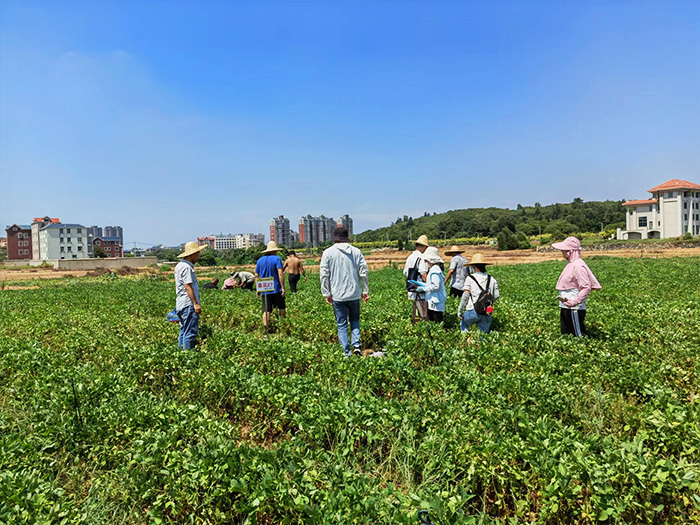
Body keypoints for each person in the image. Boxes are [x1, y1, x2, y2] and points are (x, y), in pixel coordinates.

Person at [320, 226, 370, 357]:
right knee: (354, 320)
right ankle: (357, 345)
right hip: (354, 293)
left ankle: (346, 352)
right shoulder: (356, 251)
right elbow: (363, 272)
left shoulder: (328, 252)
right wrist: (365, 290)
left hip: (337, 295)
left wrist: (326, 293)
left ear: (335, 238)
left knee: (341, 324)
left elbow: (324, 274)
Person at [552, 236, 601, 337]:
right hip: (566, 306)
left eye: (563, 250)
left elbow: (586, 287)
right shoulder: (572, 264)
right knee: (566, 335)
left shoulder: (578, 266)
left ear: (570, 251)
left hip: (574, 308)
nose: (562, 252)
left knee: (578, 336)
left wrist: (575, 302)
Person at [174, 241, 207, 349]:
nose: (199, 255)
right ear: (192, 254)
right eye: (198, 253)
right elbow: (187, 286)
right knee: (190, 333)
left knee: (184, 330)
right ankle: (188, 359)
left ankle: (180, 356)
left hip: (181, 304)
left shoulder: (179, 265)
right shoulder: (187, 268)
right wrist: (196, 303)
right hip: (188, 304)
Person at [458, 253, 500, 334]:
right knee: (482, 335)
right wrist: (487, 303)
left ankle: (467, 343)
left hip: (472, 309)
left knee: (465, 325)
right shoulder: (492, 279)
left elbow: (465, 295)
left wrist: (460, 310)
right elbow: (497, 296)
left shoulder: (470, 278)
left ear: (474, 266)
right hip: (487, 310)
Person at [255, 241, 286, 330]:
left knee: (266, 310)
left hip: (264, 289)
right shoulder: (277, 259)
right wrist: (283, 287)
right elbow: (280, 273)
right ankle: (282, 327)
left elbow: (256, 275)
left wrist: (258, 289)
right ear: (275, 251)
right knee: (281, 307)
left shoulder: (260, 260)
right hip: (276, 288)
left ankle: (266, 329)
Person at [414, 247, 446, 323]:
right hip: (434, 302)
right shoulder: (434, 269)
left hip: (436, 303)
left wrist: (423, 289)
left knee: (436, 322)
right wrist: (422, 285)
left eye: (426, 261)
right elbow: (431, 284)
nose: (426, 262)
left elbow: (435, 286)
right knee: (434, 322)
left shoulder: (435, 271)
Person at [403, 234, 429, 323]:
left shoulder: (410, 257)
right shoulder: (421, 258)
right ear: (425, 247)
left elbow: (406, 275)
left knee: (416, 314)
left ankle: (416, 330)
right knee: (424, 314)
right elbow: (423, 274)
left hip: (412, 290)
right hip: (420, 291)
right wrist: (429, 286)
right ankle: (423, 331)